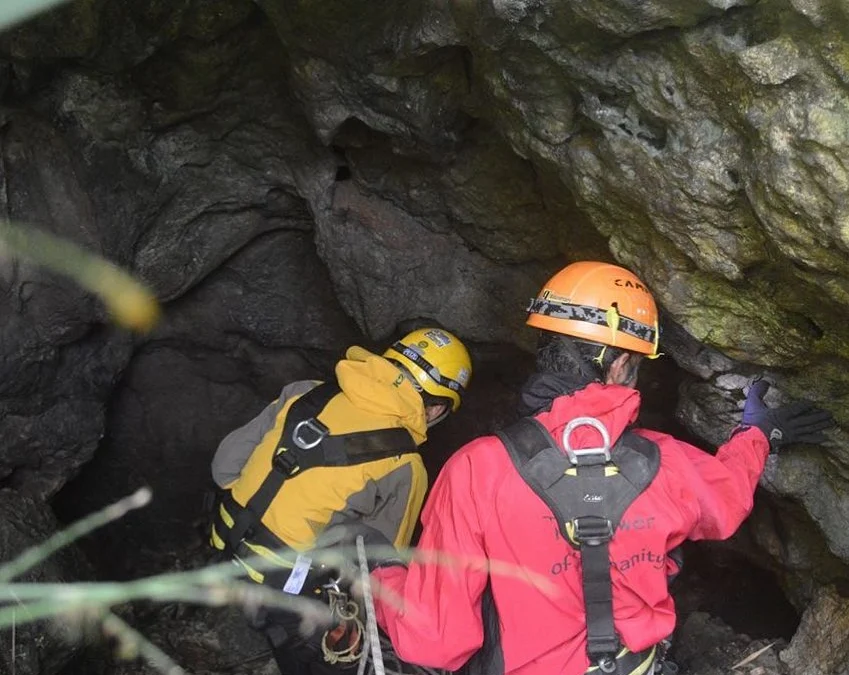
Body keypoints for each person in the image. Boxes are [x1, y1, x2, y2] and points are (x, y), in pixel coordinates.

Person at [359, 261, 834, 675]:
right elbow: (726, 497)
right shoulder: (663, 461)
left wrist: (382, 574)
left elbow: (437, 640)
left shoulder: (474, 470)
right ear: (621, 362)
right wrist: (756, 436)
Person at [208, 327, 472, 675]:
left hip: (226, 547)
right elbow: (379, 574)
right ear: (436, 408)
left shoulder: (304, 394)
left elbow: (223, 469)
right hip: (285, 594)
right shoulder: (405, 466)